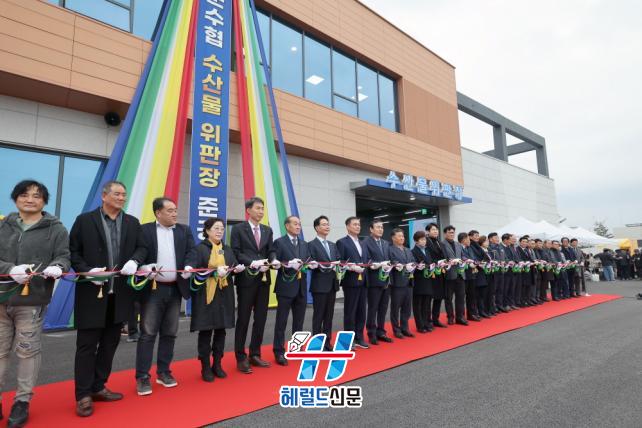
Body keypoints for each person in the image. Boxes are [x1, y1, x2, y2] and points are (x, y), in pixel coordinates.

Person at [69, 181, 146, 417]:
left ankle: (98, 386)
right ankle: (83, 395)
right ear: (104, 196)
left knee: (110, 343)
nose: (121, 198)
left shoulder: (132, 222)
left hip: (120, 294)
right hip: (92, 293)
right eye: (117, 194)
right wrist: (87, 271)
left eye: (124, 194)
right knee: (86, 346)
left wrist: (135, 260)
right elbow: (73, 252)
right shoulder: (85, 220)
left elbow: (142, 248)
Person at [0, 180, 70, 427]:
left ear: (44, 201)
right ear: (15, 198)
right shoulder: (3, 225)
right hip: (1, 298)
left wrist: (58, 267)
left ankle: (22, 401)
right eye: (24, 195)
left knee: (27, 351)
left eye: (36, 196)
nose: (30, 199)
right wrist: (10, 269)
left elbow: (64, 256)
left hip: (32, 301)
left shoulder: (56, 229)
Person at [134, 197, 195, 395]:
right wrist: (143, 267)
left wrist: (189, 266)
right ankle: (142, 376)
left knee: (169, 333)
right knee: (148, 333)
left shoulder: (184, 230)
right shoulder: (145, 230)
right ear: (158, 213)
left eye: (175, 210)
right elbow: (139, 253)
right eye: (170, 211)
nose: (175, 213)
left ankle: (164, 372)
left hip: (175, 288)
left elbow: (191, 252)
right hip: (153, 289)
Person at [184, 217, 243, 382]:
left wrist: (237, 268)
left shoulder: (226, 249)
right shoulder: (199, 249)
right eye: (216, 228)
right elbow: (194, 267)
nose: (220, 231)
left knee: (221, 330)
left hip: (224, 293)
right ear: (207, 230)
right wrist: (213, 272)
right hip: (206, 294)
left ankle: (217, 363)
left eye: (222, 229)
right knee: (206, 330)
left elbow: (233, 264)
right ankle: (205, 366)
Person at [230, 197, 276, 374]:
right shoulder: (238, 229)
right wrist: (252, 262)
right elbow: (235, 252)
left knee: (261, 318)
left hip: (264, 278)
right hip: (246, 279)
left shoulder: (267, 230)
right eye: (258, 208)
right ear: (248, 210)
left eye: (262, 208)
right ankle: (240, 357)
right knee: (243, 318)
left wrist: (273, 260)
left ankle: (255, 353)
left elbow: (271, 250)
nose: (261, 211)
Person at [273, 216, 310, 365]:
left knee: (299, 321)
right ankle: (278, 351)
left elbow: (308, 260)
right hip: (285, 287)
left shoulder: (304, 244)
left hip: (301, 287)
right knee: (281, 322)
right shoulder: (279, 242)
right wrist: (288, 264)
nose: (298, 226)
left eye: (299, 224)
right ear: (287, 226)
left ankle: (297, 347)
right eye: (295, 224)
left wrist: (310, 263)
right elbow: (275, 262)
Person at [336, 217, 369, 349]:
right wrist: (352, 267)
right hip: (350, 281)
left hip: (363, 280)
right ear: (348, 227)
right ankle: (348, 340)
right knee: (350, 312)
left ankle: (359, 337)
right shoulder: (342, 242)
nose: (358, 226)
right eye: (354, 224)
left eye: (359, 224)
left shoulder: (362, 243)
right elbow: (340, 261)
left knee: (361, 311)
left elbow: (367, 259)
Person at [307, 216, 340, 344]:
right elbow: (310, 261)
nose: (327, 227)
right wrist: (321, 265)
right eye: (324, 224)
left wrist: (338, 264)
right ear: (317, 228)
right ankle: (317, 342)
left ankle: (327, 341)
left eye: (328, 224)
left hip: (332, 284)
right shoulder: (311, 245)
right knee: (318, 315)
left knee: (329, 316)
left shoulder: (332, 245)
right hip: (319, 285)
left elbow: (338, 258)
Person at [363, 219, 394, 345]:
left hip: (386, 279)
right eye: (378, 227)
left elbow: (389, 258)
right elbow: (366, 259)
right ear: (371, 229)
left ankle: (381, 332)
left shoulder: (386, 243)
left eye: (382, 227)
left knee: (383, 308)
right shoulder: (365, 242)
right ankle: (371, 333)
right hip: (373, 280)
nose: (380, 229)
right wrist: (377, 264)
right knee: (373, 308)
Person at [389, 228, 415, 339]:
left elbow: (413, 261)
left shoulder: (408, 250)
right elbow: (391, 262)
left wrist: (413, 266)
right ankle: (396, 330)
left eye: (403, 236)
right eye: (399, 236)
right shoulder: (390, 249)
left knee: (407, 308)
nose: (402, 238)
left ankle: (405, 328)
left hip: (409, 282)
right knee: (395, 308)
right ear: (393, 238)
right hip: (397, 283)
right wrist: (398, 265)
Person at [442, 225, 467, 325]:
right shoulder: (442, 244)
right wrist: (450, 261)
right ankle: (450, 317)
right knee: (448, 298)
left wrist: (463, 260)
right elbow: (442, 258)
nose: (452, 234)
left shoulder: (458, 244)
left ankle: (460, 317)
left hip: (460, 274)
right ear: (445, 234)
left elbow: (463, 255)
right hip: (449, 274)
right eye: (449, 232)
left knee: (461, 297)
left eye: (453, 232)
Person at [425, 223, 448, 327]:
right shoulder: (426, 242)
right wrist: (437, 262)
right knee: (429, 298)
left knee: (439, 297)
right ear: (428, 232)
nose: (435, 231)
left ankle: (436, 319)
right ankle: (428, 320)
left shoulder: (440, 242)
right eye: (433, 230)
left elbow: (444, 255)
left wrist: (446, 261)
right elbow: (427, 257)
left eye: (436, 229)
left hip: (440, 273)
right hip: (431, 273)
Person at [411, 231, 433, 333]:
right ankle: (420, 326)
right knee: (418, 304)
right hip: (418, 280)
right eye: (422, 239)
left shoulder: (427, 250)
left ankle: (426, 323)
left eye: (425, 239)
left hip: (428, 279)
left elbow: (430, 262)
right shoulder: (413, 251)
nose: (424, 241)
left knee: (426, 304)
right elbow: (413, 265)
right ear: (416, 241)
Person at [460, 232, 479, 321]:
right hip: (464, 275)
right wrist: (468, 261)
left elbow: (474, 257)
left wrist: (475, 262)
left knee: (472, 295)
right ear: (463, 240)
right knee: (462, 297)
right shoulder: (459, 248)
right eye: (468, 239)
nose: (469, 241)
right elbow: (462, 258)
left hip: (472, 274)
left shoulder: (470, 248)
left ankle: (471, 314)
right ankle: (462, 315)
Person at [488, 232, 506, 313]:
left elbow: (505, 258)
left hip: (501, 270)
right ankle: (493, 306)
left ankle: (499, 305)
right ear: (490, 239)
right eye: (495, 237)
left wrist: (505, 262)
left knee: (500, 289)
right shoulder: (489, 248)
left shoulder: (500, 247)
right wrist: (496, 262)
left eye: (498, 237)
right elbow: (490, 259)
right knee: (493, 290)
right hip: (494, 272)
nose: (498, 239)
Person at [476, 236, 493, 318]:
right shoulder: (480, 250)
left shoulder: (489, 250)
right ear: (481, 242)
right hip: (482, 273)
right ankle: (482, 311)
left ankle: (488, 310)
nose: (487, 243)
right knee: (483, 294)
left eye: (488, 241)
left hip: (490, 273)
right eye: (486, 241)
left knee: (489, 292)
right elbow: (480, 261)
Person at [501, 233, 517, 311]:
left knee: (511, 287)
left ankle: (511, 303)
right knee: (505, 288)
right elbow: (503, 258)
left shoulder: (510, 247)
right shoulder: (501, 247)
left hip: (512, 270)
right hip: (505, 271)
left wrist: (515, 262)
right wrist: (508, 262)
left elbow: (514, 257)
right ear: (505, 240)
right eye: (510, 240)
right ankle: (505, 304)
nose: (511, 241)